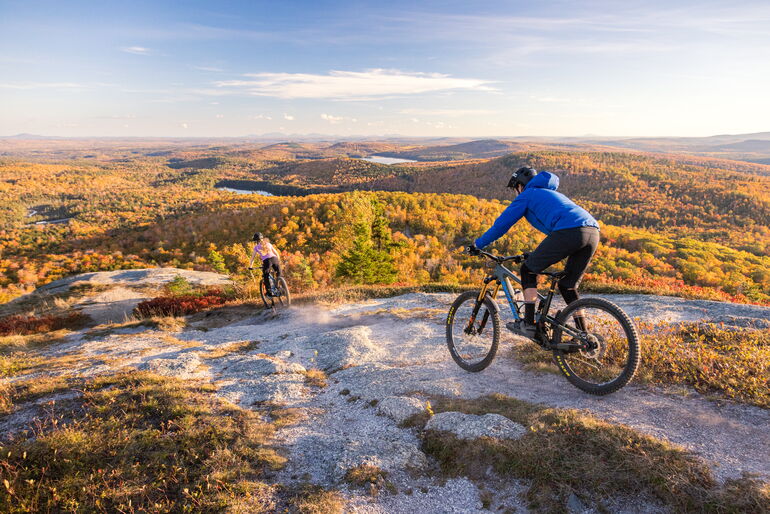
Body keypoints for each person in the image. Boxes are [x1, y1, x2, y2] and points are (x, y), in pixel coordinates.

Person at [468, 166, 600, 338]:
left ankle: (529, 323)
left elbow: (501, 225)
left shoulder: (527, 195)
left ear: (520, 185)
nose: (516, 192)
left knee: (527, 270)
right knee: (567, 286)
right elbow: (557, 233)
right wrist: (537, 254)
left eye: (516, 188)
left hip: (569, 231)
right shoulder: (552, 194)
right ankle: (584, 335)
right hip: (593, 232)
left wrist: (478, 244)